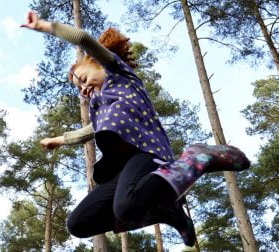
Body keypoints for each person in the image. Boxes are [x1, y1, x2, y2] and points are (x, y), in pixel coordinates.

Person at [21, 10, 250, 246]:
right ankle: (165, 211)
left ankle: (195, 159)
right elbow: (89, 131)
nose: (82, 88)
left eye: (82, 78)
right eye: (77, 88)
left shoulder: (119, 74)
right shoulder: (102, 107)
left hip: (145, 153)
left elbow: (82, 38)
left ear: (97, 62)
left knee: (126, 206)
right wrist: (59, 139)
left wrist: (45, 26)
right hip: (121, 169)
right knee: (79, 223)